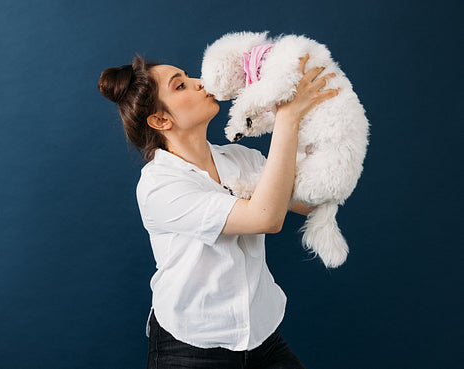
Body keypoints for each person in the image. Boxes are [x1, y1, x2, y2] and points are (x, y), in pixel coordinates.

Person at [98, 52, 339, 369]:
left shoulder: (242, 158)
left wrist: (318, 119)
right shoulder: (159, 186)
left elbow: (310, 201)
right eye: (181, 86)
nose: (200, 83)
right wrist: (287, 118)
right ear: (160, 120)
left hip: (262, 338)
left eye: (189, 76)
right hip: (192, 349)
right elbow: (266, 217)